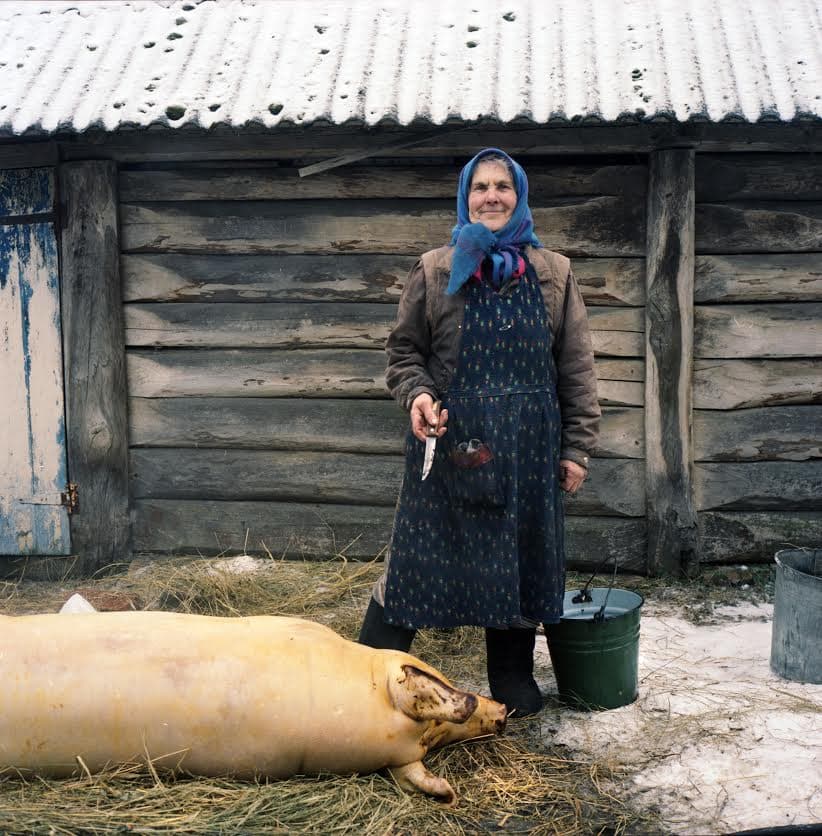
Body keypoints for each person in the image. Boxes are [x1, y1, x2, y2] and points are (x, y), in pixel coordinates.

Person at [357, 148, 600, 717]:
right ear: (465, 198)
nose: (491, 196)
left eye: (503, 187)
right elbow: (404, 352)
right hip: (450, 440)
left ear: (519, 197)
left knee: (517, 556)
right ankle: (366, 670)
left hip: (527, 447)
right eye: (480, 188)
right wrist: (418, 394)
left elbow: (577, 369)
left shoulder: (554, 273)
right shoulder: (436, 269)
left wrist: (577, 449)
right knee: (419, 556)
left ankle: (511, 675)